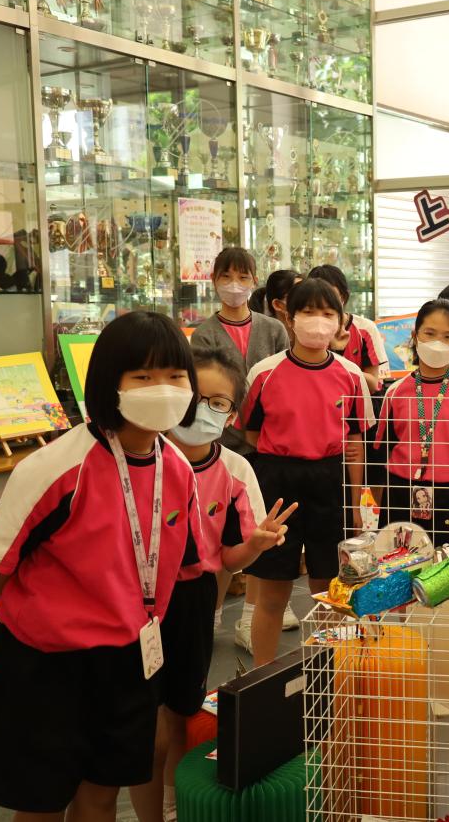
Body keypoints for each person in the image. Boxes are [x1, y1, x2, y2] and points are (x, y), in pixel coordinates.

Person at [0, 311, 203, 822]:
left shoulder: (178, 469)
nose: (162, 389)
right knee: (41, 803)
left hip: (128, 658)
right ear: (107, 383)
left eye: (175, 376)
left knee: (102, 794)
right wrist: (46, 620)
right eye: (142, 376)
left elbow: (178, 562)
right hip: (46, 665)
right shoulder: (55, 467)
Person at [132, 345, 296, 822]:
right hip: (134, 600)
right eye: (194, 397)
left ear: (232, 413)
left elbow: (228, 556)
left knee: (182, 711)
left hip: (191, 597)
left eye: (218, 402)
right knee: (144, 724)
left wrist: (256, 546)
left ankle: (172, 803)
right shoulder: (140, 457)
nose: (202, 410)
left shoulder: (235, 470)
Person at [239, 278, 373, 666]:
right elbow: (251, 432)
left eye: (327, 313)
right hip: (277, 483)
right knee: (273, 592)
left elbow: (356, 442)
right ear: (289, 317)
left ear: (341, 321)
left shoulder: (351, 375)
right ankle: (262, 678)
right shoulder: (264, 372)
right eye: (308, 311)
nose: (317, 321)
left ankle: (328, 674)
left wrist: (356, 505)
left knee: (329, 589)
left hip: (331, 483)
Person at [189, 247, 290, 643]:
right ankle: (211, 615)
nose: (234, 285)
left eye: (243, 277)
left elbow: (281, 382)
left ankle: (249, 616)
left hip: (264, 445)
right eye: (226, 277)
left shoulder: (273, 329)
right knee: (218, 537)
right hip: (219, 443)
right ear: (214, 281)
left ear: (254, 280)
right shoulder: (204, 332)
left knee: (257, 532)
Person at [375, 299, 449, 545]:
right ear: (415, 336)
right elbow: (381, 454)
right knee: (397, 562)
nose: (437, 342)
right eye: (430, 333)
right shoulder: (395, 392)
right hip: (401, 493)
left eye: (447, 336)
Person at [309, 264, 388, 394]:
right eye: (317, 297)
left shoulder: (365, 328)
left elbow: (373, 384)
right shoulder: (306, 329)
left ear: (343, 297)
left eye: (330, 295)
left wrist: (334, 366)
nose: (324, 302)